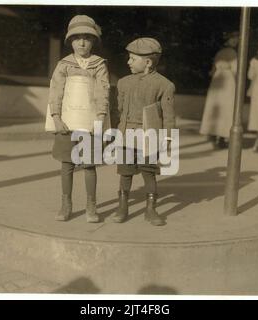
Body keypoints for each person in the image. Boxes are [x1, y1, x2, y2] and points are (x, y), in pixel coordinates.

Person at [48, 15, 110, 222]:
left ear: (93, 41)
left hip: (90, 123)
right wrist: (56, 117)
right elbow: (55, 91)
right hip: (68, 122)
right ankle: (66, 204)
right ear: (70, 41)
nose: (82, 43)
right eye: (77, 38)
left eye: (87, 38)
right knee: (67, 164)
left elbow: (103, 91)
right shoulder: (63, 65)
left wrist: (100, 117)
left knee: (89, 164)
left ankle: (91, 206)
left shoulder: (98, 65)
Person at [110, 38, 176, 226]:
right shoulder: (123, 83)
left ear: (148, 62)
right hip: (126, 136)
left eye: (132, 58)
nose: (128, 62)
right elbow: (119, 111)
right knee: (125, 172)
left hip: (149, 137)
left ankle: (150, 209)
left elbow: (169, 116)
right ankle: (123, 206)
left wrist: (167, 138)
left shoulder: (165, 85)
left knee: (149, 173)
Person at [200, 31, 239, 149]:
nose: (236, 41)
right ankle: (221, 138)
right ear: (231, 40)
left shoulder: (219, 52)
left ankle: (213, 135)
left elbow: (212, 71)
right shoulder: (233, 53)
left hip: (217, 80)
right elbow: (236, 70)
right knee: (226, 108)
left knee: (215, 107)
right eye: (235, 39)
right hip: (228, 80)